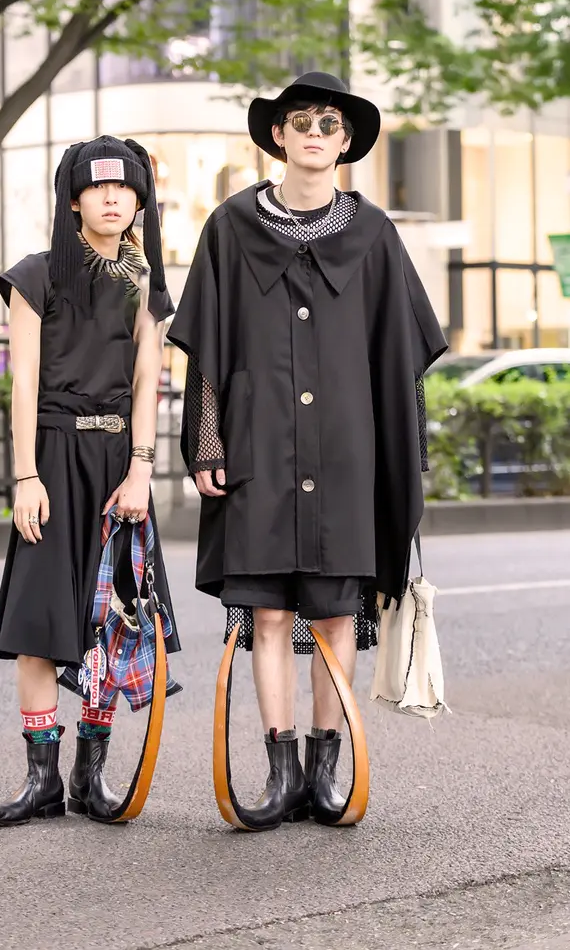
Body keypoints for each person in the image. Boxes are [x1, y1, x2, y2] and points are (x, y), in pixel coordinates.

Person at [167, 72, 447, 831]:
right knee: (262, 613)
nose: (316, 132)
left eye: (329, 122)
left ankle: (329, 762)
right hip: (259, 448)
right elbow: (206, 348)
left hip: (348, 454)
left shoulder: (374, 233)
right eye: (302, 121)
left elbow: (403, 357)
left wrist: (403, 458)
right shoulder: (230, 226)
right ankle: (279, 765)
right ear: (279, 136)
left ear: (345, 139)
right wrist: (207, 440)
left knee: (331, 616)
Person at [0, 135, 179, 825]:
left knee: (112, 623)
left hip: (118, 463)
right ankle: (41, 778)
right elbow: (23, 382)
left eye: (126, 188)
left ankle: (89, 776)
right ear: (73, 199)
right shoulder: (36, 276)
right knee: (38, 620)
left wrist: (142, 470)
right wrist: (25, 474)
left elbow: (149, 379)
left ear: (139, 200)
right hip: (53, 457)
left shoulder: (146, 285)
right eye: (98, 188)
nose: (114, 198)